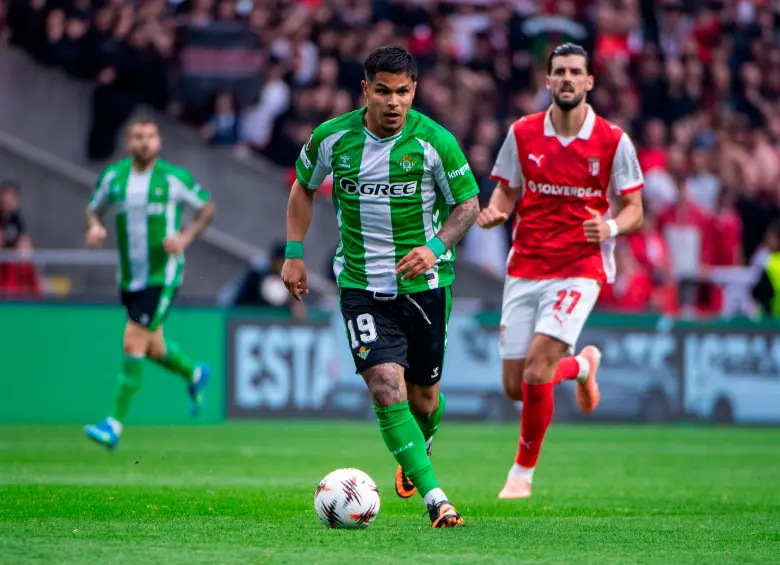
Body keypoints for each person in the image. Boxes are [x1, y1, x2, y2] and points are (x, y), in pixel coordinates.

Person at [281, 45, 479, 528]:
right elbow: (303, 186)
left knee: (424, 399)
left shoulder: (434, 142)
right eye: (384, 91)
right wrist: (293, 252)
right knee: (387, 389)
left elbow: (468, 206)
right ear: (365, 89)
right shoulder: (332, 138)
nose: (395, 103)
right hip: (362, 286)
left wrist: (434, 246)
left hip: (426, 286)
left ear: (415, 91)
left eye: (404, 92)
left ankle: (420, 444)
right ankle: (437, 498)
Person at [477, 43, 644, 499]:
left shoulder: (612, 140)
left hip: (579, 269)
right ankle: (583, 366)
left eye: (576, 72)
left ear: (589, 81)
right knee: (516, 386)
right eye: (559, 72)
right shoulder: (523, 133)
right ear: (547, 81)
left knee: (535, 373)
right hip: (526, 266)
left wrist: (608, 226)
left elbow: (635, 209)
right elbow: (506, 192)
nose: (567, 79)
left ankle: (521, 475)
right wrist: (495, 211)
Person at [83, 119, 216, 450]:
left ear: (158, 142)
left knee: (133, 339)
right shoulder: (114, 178)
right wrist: (95, 227)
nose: (145, 142)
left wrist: (185, 237)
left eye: (151, 136)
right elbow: (93, 209)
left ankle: (113, 424)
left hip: (163, 275)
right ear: (129, 142)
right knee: (153, 347)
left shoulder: (173, 179)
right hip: (130, 277)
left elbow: (207, 208)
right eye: (138, 137)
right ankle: (195, 374)